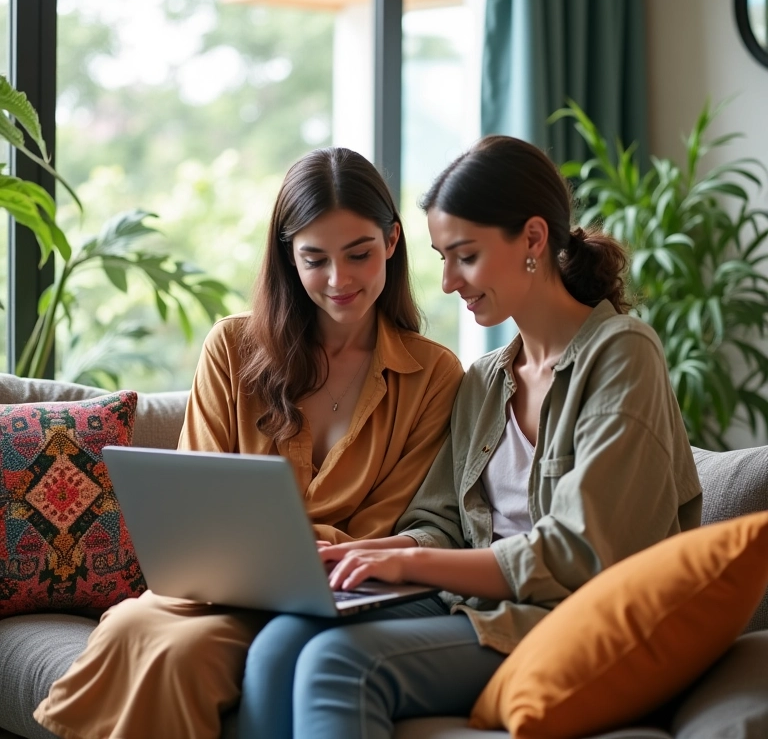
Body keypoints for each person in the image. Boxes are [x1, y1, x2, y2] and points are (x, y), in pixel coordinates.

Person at [236, 135, 703, 739]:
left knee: (339, 664)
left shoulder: (622, 355)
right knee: (279, 645)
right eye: (442, 257)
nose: (449, 282)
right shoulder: (484, 380)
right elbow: (441, 521)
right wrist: (371, 554)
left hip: (575, 617)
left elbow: (583, 552)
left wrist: (411, 562)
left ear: (533, 239)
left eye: (466, 256)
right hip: (477, 607)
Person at [33, 147, 463, 739]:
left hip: (336, 597)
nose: (339, 280)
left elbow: (402, 525)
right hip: (221, 588)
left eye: (359, 254)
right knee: (133, 628)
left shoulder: (432, 374)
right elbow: (195, 502)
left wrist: (307, 553)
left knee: (182, 653)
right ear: (288, 256)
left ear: (392, 241)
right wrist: (259, 553)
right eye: (314, 259)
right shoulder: (231, 349)